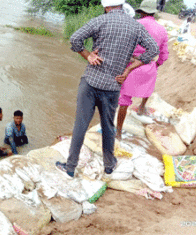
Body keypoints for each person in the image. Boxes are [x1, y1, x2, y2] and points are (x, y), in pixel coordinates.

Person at [55, 0, 159, 179]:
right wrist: (129, 69)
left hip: (91, 82)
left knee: (80, 125)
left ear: (107, 6)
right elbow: (153, 49)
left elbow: (75, 39)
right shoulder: (135, 27)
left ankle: (71, 167)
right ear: (121, 5)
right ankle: (109, 165)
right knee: (108, 127)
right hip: (112, 86)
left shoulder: (99, 21)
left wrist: (88, 55)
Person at [116, 0, 169, 140]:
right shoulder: (162, 30)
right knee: (148, 86)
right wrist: (156, 64)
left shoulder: (136, 24)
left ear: (142, 12)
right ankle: (141, 108)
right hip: (149, 65)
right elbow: (164, 54)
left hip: (133, 64)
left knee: (124, 99)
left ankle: (118, 132)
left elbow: (123, 45)